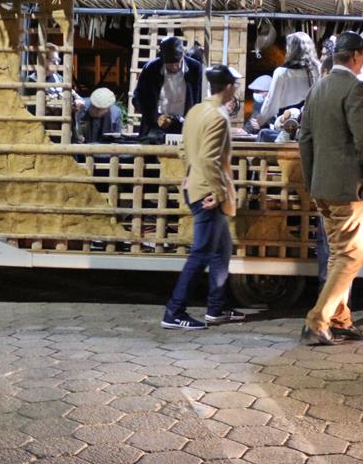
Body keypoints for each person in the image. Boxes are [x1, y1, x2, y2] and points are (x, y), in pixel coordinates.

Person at [297, 31, 363, 346]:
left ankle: (340, 319)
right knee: (350, 257)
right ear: (354, 56)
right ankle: (317, 321)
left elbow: (304, 139)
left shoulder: (318, 88)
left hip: (322, 186)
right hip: (348, 189)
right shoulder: (355, 89)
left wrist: (312, 181)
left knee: (339, 255)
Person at [162, 64, 247, 330]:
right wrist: (219, 192)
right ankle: (174, 312)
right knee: (201, 254)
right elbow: (210, 159)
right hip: (208, 192)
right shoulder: (218, 116)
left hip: (196, 186)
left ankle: (216, 307)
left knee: (220, 251)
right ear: (230, 87)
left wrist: (189, 172)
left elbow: (184, 149)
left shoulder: (196, 110)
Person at [134, 36, 204, 136]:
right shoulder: (151, 69)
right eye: (170, 64)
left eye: (177, 62)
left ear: (183, 56)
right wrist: (156, 117)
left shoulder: (195, 69)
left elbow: (201, 97)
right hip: (157, 124)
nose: (174, 66)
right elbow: (138, 98)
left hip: (185, 124)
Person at [254, 32, 318, 132]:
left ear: (291, 49)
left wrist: (260, 120)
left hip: (285, 123)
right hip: (311, 125)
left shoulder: (282, 72)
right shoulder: (317, 70)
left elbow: (271, 102)